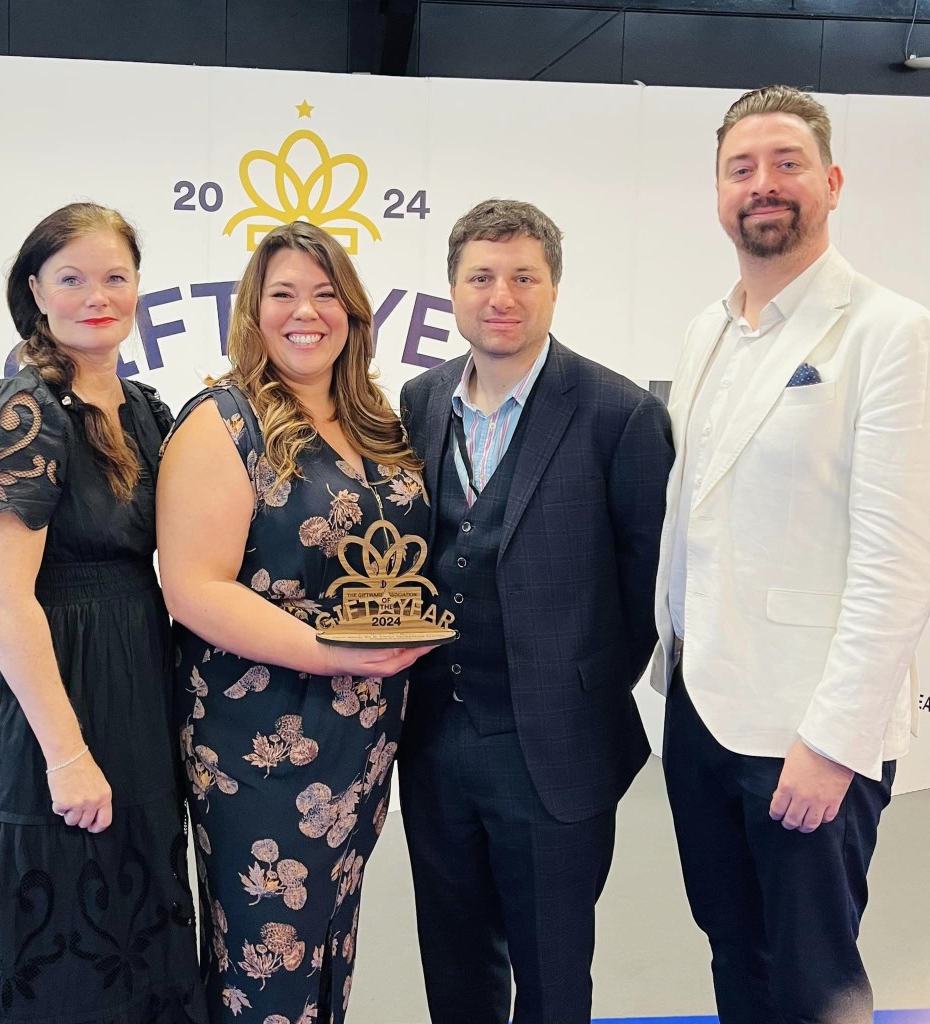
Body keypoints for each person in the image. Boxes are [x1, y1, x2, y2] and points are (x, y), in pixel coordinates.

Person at [652, 84, 930, 1024]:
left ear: (833, 181)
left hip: (810, 733)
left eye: (786, 164)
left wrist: (835, 744)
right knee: (737, 956)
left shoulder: (892, 332)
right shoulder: (705, 330)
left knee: (814, 981)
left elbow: (898, 561)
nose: (763, 185)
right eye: (742, 169)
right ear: (718, 192)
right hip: (700, 713)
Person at [0, 203, 206, 1023]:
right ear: (35, 291)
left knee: (126, 922)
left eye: (116, 276)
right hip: (44, 706)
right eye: (72, 278)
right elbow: (6, 600)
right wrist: (67, 753)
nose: (96, 295)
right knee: (45, 942)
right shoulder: (22, 410)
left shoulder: (147, 410)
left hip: (133, 690)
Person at [397, 198, 674, 1024]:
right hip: (434, 741)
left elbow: (646, 590)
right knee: (453, 967)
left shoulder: (620, 416)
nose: (501, 295)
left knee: (554, 981)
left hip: (555, 751)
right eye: (481, 276)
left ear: (554, 288)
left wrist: (571, 690)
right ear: (453, 289)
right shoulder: (419, 401)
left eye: (524, 276)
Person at [156, 221, 432, 1024]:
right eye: (283, 293)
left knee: (328, 939)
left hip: (364, 733)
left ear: (352, 311)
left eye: (324, 293)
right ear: (253, 310)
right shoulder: (223, 420)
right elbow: (194, 589)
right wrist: (329, 649)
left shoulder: (379, 421)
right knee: (263, 951)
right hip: (259, 737)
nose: (304, 311)